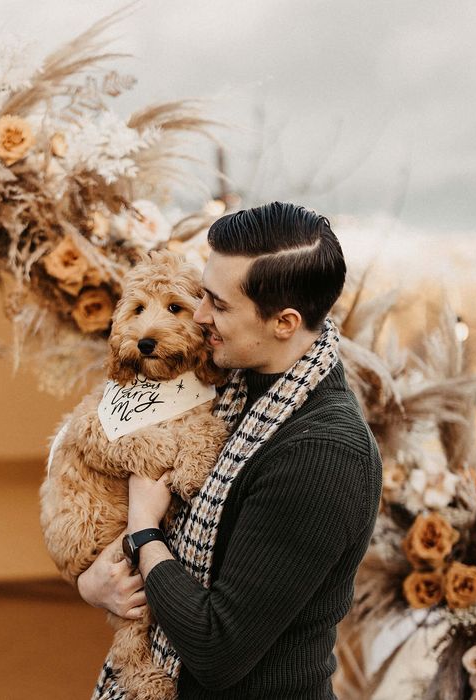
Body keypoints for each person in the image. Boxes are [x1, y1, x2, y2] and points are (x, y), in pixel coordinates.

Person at [78, 202, 383, 699]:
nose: (200, 317)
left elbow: (216, 648)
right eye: (202, 296)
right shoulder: (217, 385)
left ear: (284, 322)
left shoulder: (324, 456)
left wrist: (144, 531)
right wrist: (93, 583)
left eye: (218, 305)